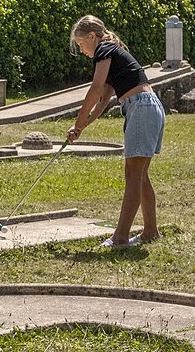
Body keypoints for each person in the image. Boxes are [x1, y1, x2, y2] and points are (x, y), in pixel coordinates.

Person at [65, 14, 164, 248]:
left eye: (81, 44)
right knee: (140, 175)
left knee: (133, 175)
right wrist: (81, 127)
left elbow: (95, 88)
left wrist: (78, 121)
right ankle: (150, 231)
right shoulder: (112, 54)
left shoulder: (104, 49)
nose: (82, 50)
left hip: (141, 107)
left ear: (92, 36)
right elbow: (102, 101)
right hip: (147, 107)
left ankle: (120, 237)